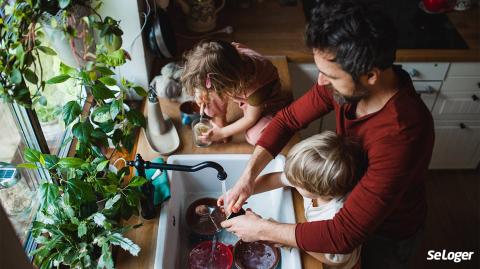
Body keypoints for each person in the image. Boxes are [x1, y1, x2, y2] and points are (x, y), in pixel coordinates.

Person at [220, 0, 435, 268]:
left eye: (330, 76)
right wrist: (248, 177)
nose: (320, 82)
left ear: (370, 75)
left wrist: (262, 229)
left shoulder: (402, 135)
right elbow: (287, 120)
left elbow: (344, 234)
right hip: (344, 206)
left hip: (387, 233)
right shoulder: (346, 83)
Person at [252, 131, 364, 268]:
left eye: (296, 183)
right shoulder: (312, 181)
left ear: (318, 192)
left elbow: (335, 258)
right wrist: (247, 190)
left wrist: (288, 238)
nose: (291, 180)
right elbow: (276, 179)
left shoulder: (335, 213)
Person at [180, 39, 291, 145]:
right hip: (235, 83)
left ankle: (280, 112)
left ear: (228, 85)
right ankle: (220, 120)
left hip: (265, 101)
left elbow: (250, 119)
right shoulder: (227, 54)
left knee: (255, 137)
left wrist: (223, 133)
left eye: (210, 88)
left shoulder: (257, 90)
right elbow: (207, 71)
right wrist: (200, 91)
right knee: (207, 97)